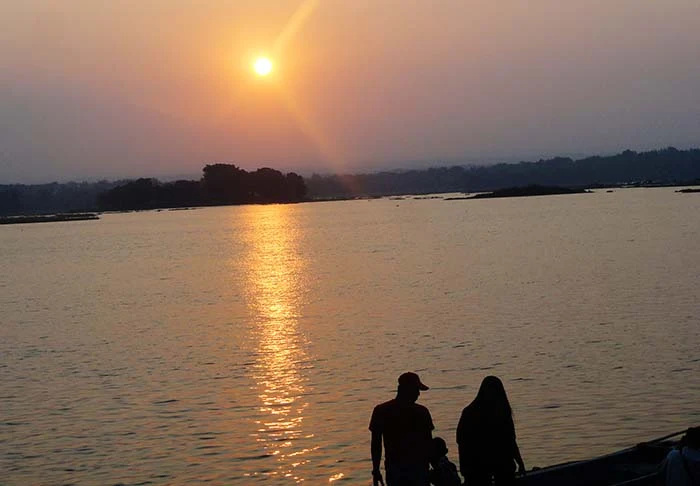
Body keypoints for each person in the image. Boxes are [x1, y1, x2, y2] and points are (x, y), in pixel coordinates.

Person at [456, 376, 525, 486]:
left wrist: (465, 469)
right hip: (492, 464)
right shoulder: (502, 411)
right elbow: (510, 440)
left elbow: (461, 441)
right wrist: (519, 462)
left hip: (479, 466)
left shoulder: (470, 412)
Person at [370, 372, 435, 486]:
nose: (418, 394)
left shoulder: (381, 411)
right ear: (407, 389)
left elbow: (376, 444)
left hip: (394, 471)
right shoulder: (421, 412)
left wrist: (376, 470)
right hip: (418, 471)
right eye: (416, 390)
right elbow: (428, 444)